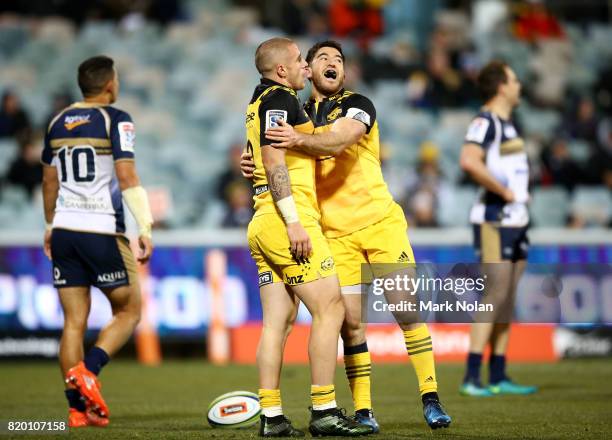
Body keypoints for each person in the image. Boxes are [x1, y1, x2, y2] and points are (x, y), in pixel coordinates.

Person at [245, 40, 451, 431]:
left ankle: (430, 397)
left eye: (338, 59)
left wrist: (295, 141)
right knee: (349, 322)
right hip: (334, 233)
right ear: (305, 69)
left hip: (380, 223)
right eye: (321, 57)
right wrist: (253, 159)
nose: (331, 62)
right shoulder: (294, 110)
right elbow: (272, 154)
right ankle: (363, 411)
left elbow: (338, 140)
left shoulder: (359, 105)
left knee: (405, 309)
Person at [245, 37, 373, 437]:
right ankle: (325, 410)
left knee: (277, 324)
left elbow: (303, 145)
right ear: (282, 70)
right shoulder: (281, 98)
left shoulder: (261, 100)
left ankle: (271, 416)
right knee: (331, 308)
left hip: (261, 221)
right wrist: (293, 221)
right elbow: (273, 159)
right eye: (301, 60)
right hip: (288, 221)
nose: (305, 66)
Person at [41, 55, 154, 427]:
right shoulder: (115, 118)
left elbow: (48, 181)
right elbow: (126, 175)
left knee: (74, 321)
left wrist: (49, 225)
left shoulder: (56, 122)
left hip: (64, 231)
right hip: (101, 229)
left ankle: (77, 409)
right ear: (110, 85)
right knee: (129, 311)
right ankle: (89, 371)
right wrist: (146, 225)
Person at [458, 60, 537, 396]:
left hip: (516, 219)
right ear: (502, 87)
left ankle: (499, 373)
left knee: (507, 298)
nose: (519, 86)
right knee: (495, 294)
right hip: (494, 217)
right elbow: (468, 160)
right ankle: (472, 376)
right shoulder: (485, 121)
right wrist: (504, 191)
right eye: (515, 80)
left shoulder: (508, 124)